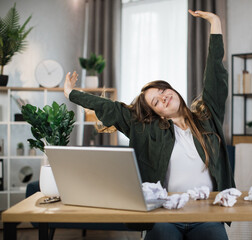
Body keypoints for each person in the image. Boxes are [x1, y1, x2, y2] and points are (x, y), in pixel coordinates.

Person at [64, 9, 235, 240]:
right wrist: (71, 93)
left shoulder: (207, 117)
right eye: (156, 101)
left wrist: (215, 22)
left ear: (173, 90)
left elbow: (215, 74)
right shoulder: (148, 130)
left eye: (163, 90)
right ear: (157, 114)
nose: (163, 97)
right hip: (165, 216)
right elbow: (112, 109)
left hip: (206, 214)